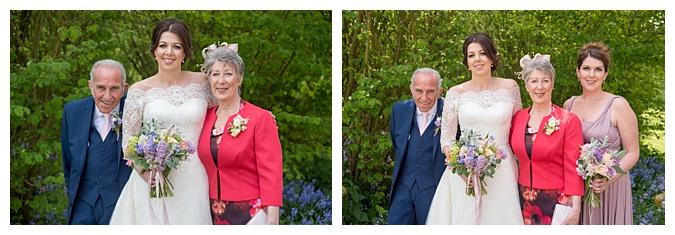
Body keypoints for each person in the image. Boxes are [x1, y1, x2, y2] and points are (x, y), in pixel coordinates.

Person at [109, 18, 216, 225]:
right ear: (154, 50)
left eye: (176, 46)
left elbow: (224, 109)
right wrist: (147, 175)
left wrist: (252, 117)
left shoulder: (203, 82)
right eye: (163, 45)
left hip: (194, 180)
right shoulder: (139, 91)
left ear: (185, 52)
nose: (169, 52)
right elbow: (128, 141)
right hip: (153, 181)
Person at [426, 33, 523, 225]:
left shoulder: (510, 88)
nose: (477, 59)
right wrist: (460, 168)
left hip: (503, 171)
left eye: (482, 53)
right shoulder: (456, 93)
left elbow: (519, 130)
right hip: (465, 171)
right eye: (471, 55)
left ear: (493, 57)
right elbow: (446, 138)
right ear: (466, 61)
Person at [197, 43, 283, 225]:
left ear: (240, 78)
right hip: (212, 212)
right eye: (215, 74)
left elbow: (271, 171)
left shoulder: (260, 118)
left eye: (228, 73)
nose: (221, 80)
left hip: (251, 213)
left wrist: (273, 216)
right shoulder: (204, 118)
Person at [563, 42, 639, 225]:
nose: (591, 75)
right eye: (586, 68)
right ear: (577, 72)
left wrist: (608, 178)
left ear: (605, 74)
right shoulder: (569, 105)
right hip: (578, 189)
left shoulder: (618, 105)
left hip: (610, 187)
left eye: (598, 69)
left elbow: (633, 152)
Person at [509, 54, 584, 225]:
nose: (540, 87)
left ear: (553, 84)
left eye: (545, 81)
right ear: (526, 85)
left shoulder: (568, 120)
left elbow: (574, 166)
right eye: (534, 81)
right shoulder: (518, 118)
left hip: (556, 200)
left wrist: (576, 207)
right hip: (522, 198)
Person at [61, 59, 132, 225]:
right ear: (90, 86)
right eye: (101, 87)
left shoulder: (135, 112)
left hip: (121, 205)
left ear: (124, 88)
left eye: (114, 88)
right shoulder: (72, 112)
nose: (107, 96)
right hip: (82, 207)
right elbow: (68, 162)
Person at [387, 68, 450, 225]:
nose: (424, 98)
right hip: (403, 188)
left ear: (439, 91)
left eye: (430, 91)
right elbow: (398, 144)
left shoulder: (450, 112)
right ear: (411, 89)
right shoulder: (399, 110)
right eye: (418, 91)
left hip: (434, 189)